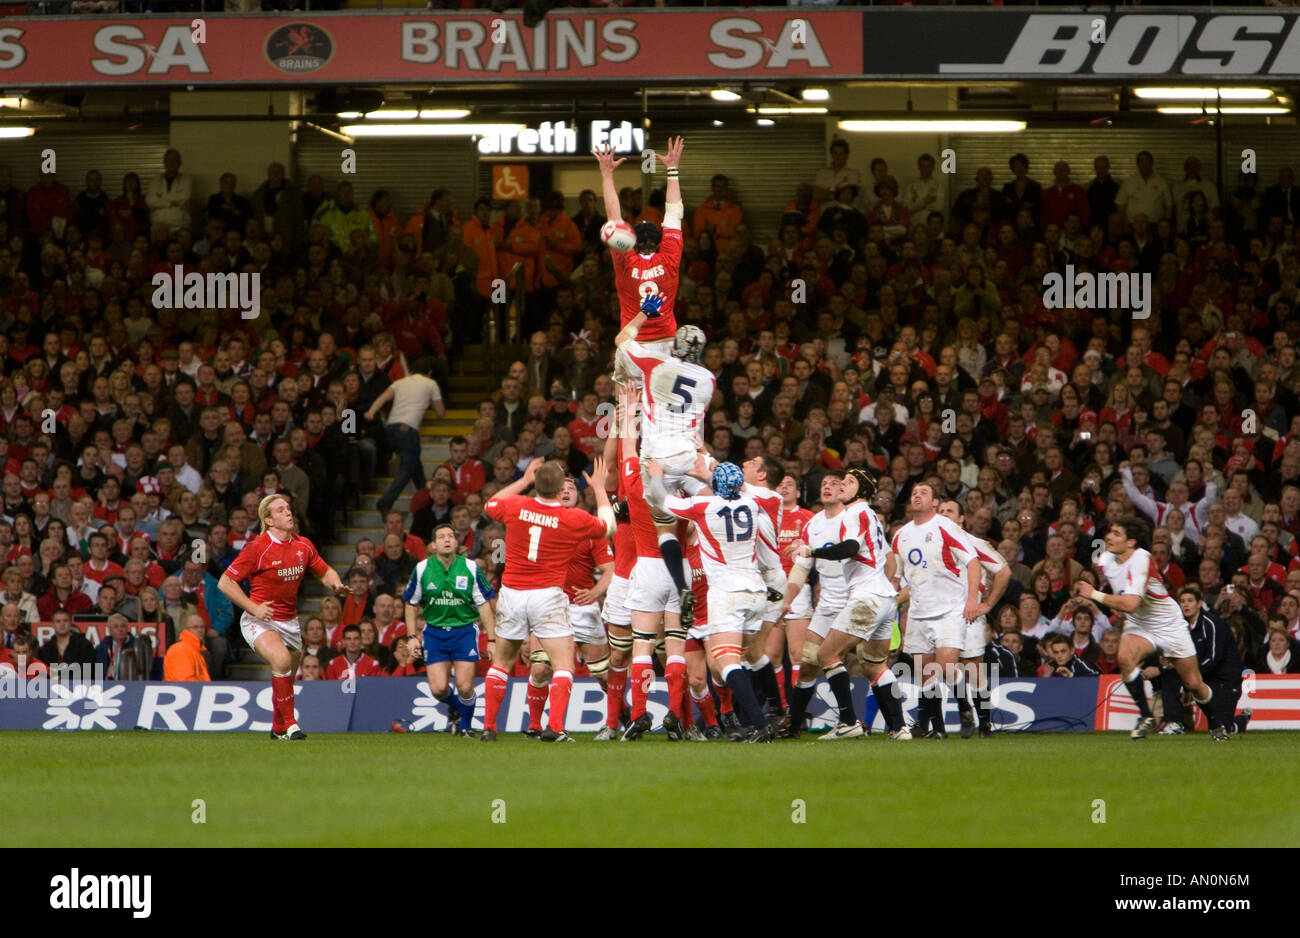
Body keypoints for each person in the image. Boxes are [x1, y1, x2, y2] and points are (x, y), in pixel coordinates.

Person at [480, 457, 616, 742]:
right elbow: (608, 526)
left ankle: (489, 728)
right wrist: (600, 488)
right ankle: (554, 728)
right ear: (559, 490)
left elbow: (490, 504)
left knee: (502, 663)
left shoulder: (517, 506)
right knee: (564, 665)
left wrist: (523, 480)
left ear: (536, 485)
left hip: (512, 594)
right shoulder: (572, 518)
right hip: (547, 596)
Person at [649, 460, 773, 742]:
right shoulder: (755, 503)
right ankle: (768, 713)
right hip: (755, 590)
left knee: (727, 664)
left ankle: (760, 723)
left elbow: (661, 498)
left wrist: (658, 475)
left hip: (727, 593)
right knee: (749, 659)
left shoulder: (705, 507)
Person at [613, 291, 715, 626]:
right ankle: (720, 568)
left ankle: (682, 585)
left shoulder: (655, 364)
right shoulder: (709, 381)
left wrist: (643, 314)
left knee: (665, 528)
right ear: (700, 353)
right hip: (689, 458)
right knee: (710, 508)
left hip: (656, 461)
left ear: (675, 347)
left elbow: (621, 339)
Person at [789, 469, 908, 739]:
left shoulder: (855, 512)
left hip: (865, 597)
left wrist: (813, 551)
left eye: (849, 482)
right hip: (884, 598)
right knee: (875, 666)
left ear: (862, 491)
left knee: (826, 655)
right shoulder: (871, 516)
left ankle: (848, 722)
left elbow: (850, 548)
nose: (842, 484)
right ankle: (899, 728)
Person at [218, 493, 345, 741]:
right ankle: (291, 724)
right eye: (280, 510)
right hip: (258, 619)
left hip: (289, 621)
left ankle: (277, 727)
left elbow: (322, 570)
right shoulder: (257, 547)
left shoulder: (303, 545)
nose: (288, 513)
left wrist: (336, 584)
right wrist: (253, 607)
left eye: (288, 508)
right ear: (269, 519)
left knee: (286, 672)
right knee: (281, 659)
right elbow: (225, 582)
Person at [1075, 518, 1214, 739]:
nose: (1109, 537)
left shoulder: (1141, 559)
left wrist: (1094, 594)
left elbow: (1130, 604)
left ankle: (1218, 719)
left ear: (1131, 542)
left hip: (1168, 624)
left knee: (1194, 684)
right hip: (1139, 623)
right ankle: (1145, 716)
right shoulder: (1107, 557)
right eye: (1109, 532)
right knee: (1124, 657)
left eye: (1116, 534)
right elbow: (1093, 555)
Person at [891, 482, 987, 738]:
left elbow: (973, 562)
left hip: (949, 610)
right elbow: (897, 577)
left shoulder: (946, 527)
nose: (917, 496)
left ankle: (965, 706)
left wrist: (971, 601)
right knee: (926, 678)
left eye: (923, 492)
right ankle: (940, 730)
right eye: (914, 493)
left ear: (934, 502)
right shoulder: (901, 535)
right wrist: (894, 609)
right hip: (918, 612)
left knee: (945, 666)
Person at [403, 523, 496, 738]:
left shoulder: (471, 568)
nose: (446, 540)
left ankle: (465, 725)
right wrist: (411, 637)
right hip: (434, 632)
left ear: (456, 542)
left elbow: (483, 604)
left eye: (450, 536)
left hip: (463, 631)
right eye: (441, 537)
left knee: (465, 687)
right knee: (438, 689)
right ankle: (455, 707)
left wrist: (491, 639)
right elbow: (410, 603)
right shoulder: (422, 569)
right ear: (434, 545)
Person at [779, 472, 849, 738]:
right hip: (828, 606)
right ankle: (794, 726)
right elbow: (801, 566)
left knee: (868, 663)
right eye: (824, 484)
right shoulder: (813, 525)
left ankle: (894, 724)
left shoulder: (853, 519)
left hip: (855, 602)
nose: (828, 487)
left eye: (834, 484)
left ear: (844, 491)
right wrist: (788, 599)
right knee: (808, 662)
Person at [938, 500, 1013, 738]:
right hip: (939, 615)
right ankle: (964, 708)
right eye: (940, 511)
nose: (944, 515)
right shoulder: (931, 543)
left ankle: (985, 724)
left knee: (974, 671)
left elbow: (1003, 570)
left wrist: (988, 604)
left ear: (961, 519)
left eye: (949, 511)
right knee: (946, 667)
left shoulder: (973, 543)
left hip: (969, 615)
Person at [1160, 586, 1245, 741]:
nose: (1186, 605)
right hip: (1202, 676)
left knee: (1223, 727)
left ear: (1199, 603)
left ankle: (1240, 721)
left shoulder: (1212, 624)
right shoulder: (1181, 626)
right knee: (1169, 673)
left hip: (1224, 679)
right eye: (1183, 601)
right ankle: (1174, 722)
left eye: (1190, 601)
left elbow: (1213, 659)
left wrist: (1189, 676)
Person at [365, 357, 446, 514]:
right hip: (408, 430)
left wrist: (371, 412)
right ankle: (385, 501)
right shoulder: (430, 383)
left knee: (415, 465)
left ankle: (426, 497)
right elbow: (441, 413)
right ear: (429, 373)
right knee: (407, 468)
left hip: (390, 429)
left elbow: (381, 398)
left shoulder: (400, 382)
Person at [94, 613, 151, 680]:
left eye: (123, 626)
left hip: (130, 685)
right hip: (105, 685)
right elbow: (96, 674)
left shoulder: (136, 647)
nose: (120, 629)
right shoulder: (101, 648)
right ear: (109, 630)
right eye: (116, 627)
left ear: (127, 628)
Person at [163, 613, 210, 682]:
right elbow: (186, 683)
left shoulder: (197, 650)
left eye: (202, 627)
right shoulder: (181, 650)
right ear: (186, 629)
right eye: (195, 627)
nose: (200, 630)